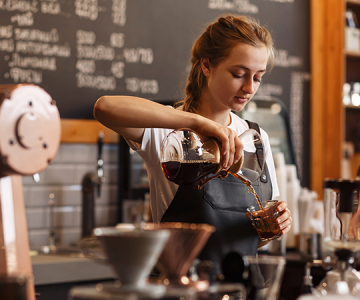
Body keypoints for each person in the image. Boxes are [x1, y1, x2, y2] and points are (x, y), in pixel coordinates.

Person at [94, 14, 292, 275]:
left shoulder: (256, 137)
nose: (249, 87)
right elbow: (105, 107)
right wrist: (197, 124)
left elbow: (256, 234)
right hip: (182, 287)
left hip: (241, 288)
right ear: (207, 66)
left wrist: (275, 226)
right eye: (239, 74)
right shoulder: (169, 133)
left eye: (257, 77)